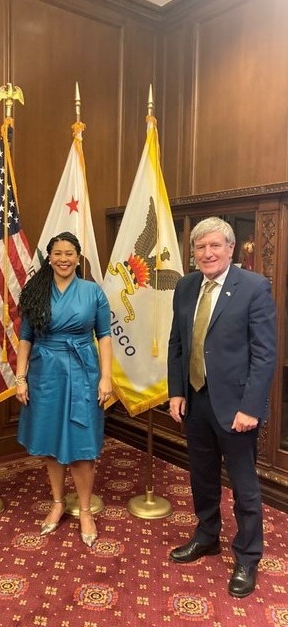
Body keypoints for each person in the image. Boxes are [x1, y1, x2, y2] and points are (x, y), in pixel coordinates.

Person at [167, 217, 276, 598]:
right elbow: (177, 343)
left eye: (215, 246)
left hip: (236, 409)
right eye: (200, 247)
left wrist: (250, 407)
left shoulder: (254, 288)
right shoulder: (185, 286)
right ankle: (207, 535)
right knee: (202, 476)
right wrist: (176, 391)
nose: (208, 253)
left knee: (244, 486)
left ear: (231, 249)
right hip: (195, 401)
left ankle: (248, 556)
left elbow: (265, 355)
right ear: (193, 252)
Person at [15, 232, 112, 547]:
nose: (63, 259)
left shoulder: (92, 291)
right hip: (45, 374)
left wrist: (106, 377)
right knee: (51, 442)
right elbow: (25, 337)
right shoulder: (35, 290)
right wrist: (20, 377)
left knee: (82, 444)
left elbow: (106, 335)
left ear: (78, 256)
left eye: (69, 253)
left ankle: (84, 509)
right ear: (49, 256)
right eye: (57, 253)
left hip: (83, 371)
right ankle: (57, 502)